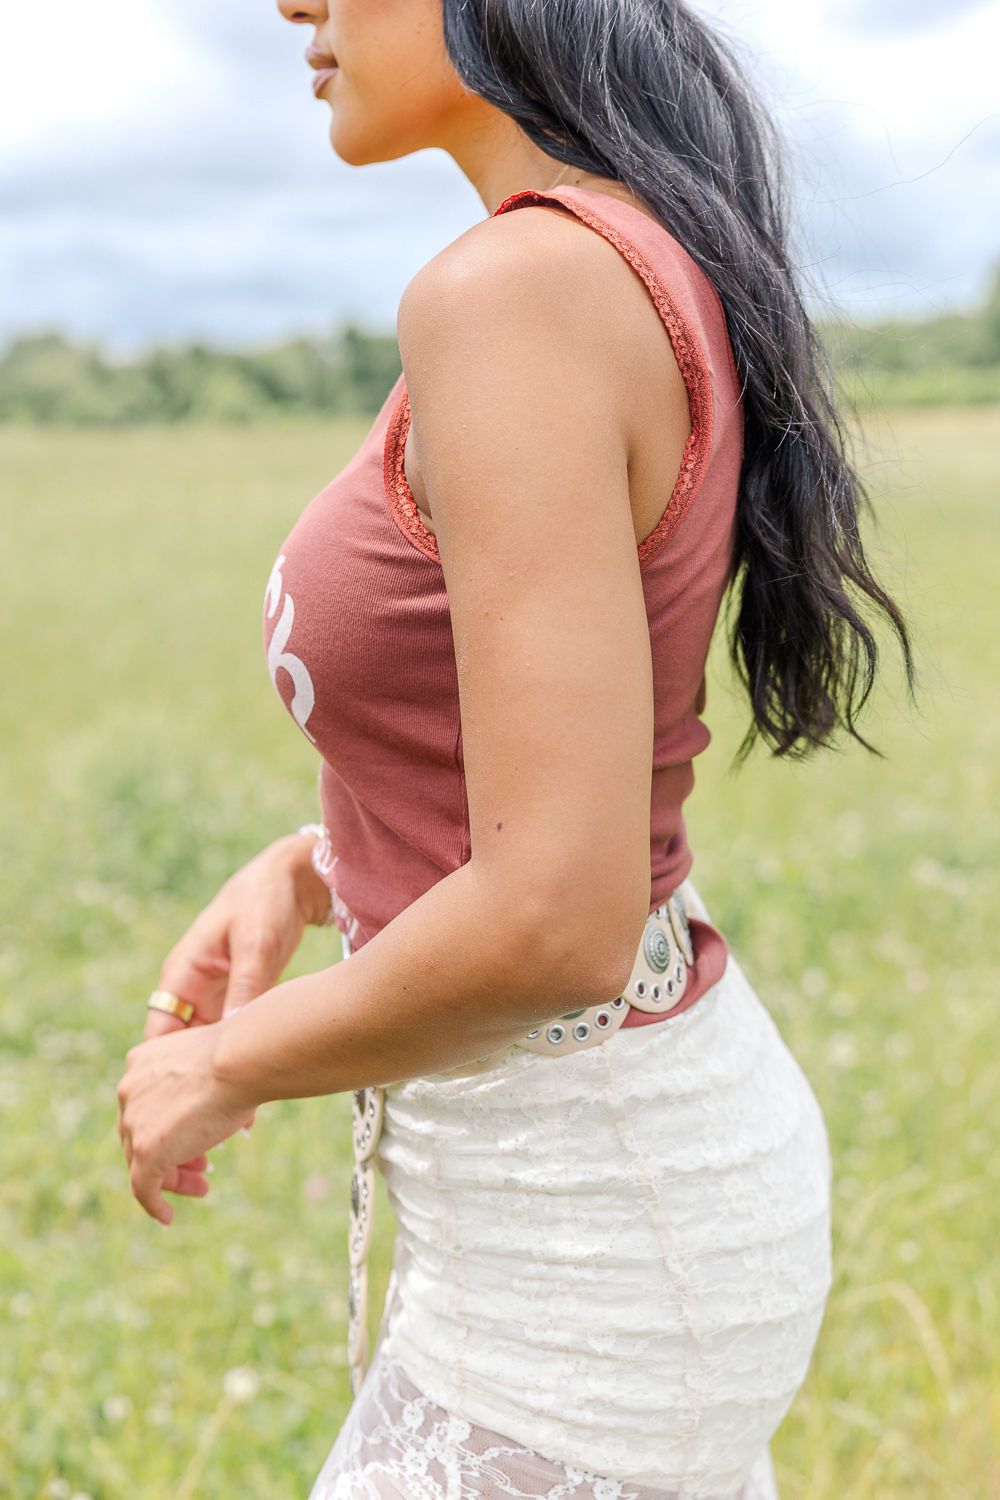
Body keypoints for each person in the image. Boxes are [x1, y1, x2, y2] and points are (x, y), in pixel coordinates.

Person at [116, 1, 917, 1496]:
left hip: (592, 1232)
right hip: (610, 1193)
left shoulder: (521, 291)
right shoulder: (618, 254)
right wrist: (317, 867)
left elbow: (557, 917)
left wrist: (228, 1062)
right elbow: (557, 786)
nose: (293, 2)